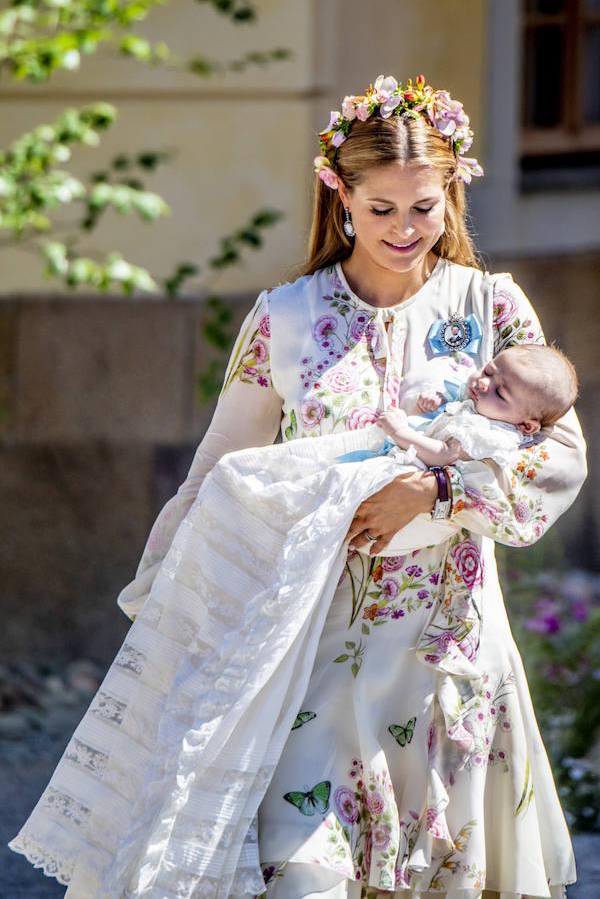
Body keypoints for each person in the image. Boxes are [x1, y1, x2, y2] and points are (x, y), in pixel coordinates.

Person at [9, 74, 587, 899]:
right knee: (301, 873)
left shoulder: (492, 308)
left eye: (423, 206)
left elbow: (557, 455)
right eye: (380, 207)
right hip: (307, 648)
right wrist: (174, 610)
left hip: (447, 657)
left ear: (451, 193)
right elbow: (220, 470)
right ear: (339, 194)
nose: (404, 229)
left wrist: (438, 494)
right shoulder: (284, 318)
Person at [336, 343, 579, 469]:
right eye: (488, 371)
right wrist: (434, 401)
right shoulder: (475, 403)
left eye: (500, 393)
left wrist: (400, 433)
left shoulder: (489, 436)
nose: (484, 383)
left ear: (526, 425)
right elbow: (446, 406)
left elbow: (443, 454)